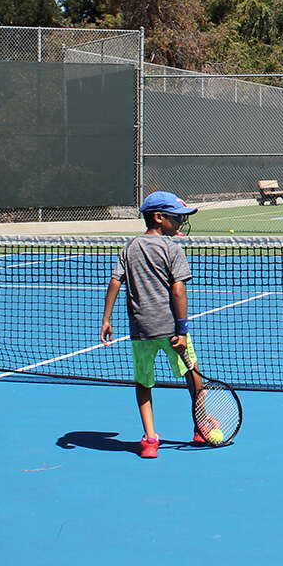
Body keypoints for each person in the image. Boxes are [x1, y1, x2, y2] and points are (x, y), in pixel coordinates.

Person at [99, 190, 211, 459]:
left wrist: (106, 319)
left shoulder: (130, 247)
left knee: (143, 383)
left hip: (141, 332)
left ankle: (150, 440)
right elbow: (178, 290)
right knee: (193, 374)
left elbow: (115, 282)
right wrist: (182, 330)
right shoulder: (172, 249)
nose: (181, 222)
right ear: (159, 217)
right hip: (172, 330)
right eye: (177, 218)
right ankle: (201, 427)